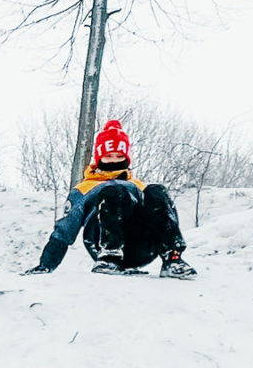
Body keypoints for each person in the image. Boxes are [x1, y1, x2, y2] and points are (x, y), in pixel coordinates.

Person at [28, 118, 195, 278]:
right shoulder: (85, 188)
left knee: (156, 191)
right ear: (99, 157)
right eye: (109, 156)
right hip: (101, 243)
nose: (114, 161)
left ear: (126, 158)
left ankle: (172, 259)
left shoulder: (137, 186)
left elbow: (163, 215)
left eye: (119, 156)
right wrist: (46, 265)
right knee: (114, 191)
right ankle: (110, 256)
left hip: (141, 248)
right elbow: (64, 230)